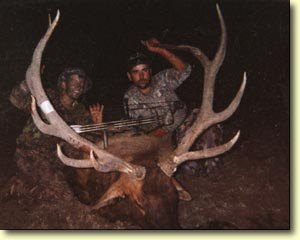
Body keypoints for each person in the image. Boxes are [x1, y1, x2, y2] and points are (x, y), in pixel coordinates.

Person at [8, 67, 103, 200]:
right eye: (74, 81)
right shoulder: (46, 97)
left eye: (82, 83)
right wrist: (30, 81)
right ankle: (21, 186)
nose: (79, 86)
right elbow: (15, 99)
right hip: (32, 154)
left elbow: (89, 140)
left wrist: (96, 126)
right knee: (63, 197)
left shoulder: (80, 111)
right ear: (63, 84)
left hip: (59, 159)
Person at [124, 38, 191, 137]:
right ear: (129, 76)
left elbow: (184, 70)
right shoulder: (129, 96)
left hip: (182, 129)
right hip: (156, 139)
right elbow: (134, 127)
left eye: (144, 70)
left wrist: (160, 50)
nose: (141, 76)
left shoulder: (162, 79)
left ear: (150, 72)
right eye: (135, 72)